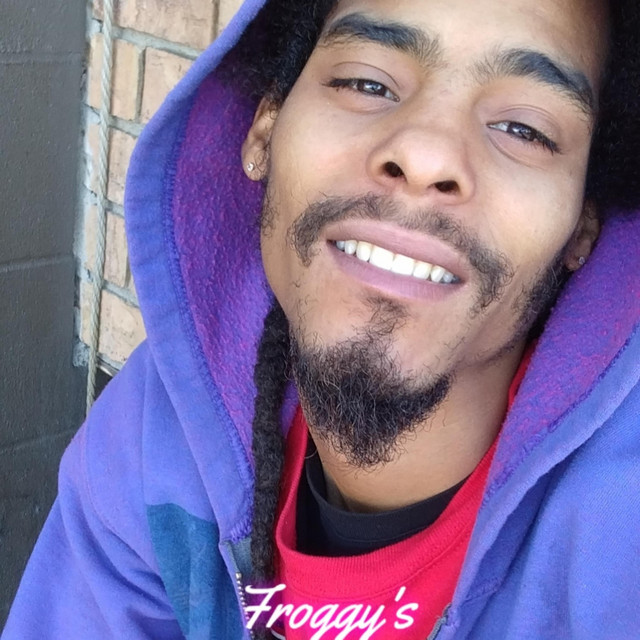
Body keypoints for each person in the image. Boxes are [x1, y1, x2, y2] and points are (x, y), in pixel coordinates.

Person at [3, 0, 640, 637]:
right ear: (265, 131)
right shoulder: (157, 435)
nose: (425, 156)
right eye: (367, 83)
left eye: (524, 129)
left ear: (582, 227)